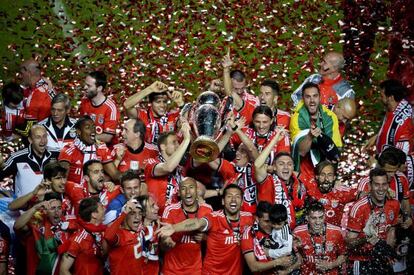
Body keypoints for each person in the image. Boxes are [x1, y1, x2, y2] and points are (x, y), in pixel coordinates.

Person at [157, 184, 254, 275]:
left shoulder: (249, 219)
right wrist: (174, 227)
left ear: (242, 202)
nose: (233, 200)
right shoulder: (214, 217)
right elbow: (197, 223)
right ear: (223, 201)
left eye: (237, 197)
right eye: (229, 196)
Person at [346, 168, 400, 274]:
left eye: (384, 184)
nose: (381, 189)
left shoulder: (394, 204)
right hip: (362, 261)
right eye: (377, 184)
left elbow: (391, 230)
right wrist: (366, 238)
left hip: (383, 259)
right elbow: (349, 243)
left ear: (388, 185)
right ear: (370, 186)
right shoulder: (359, 207)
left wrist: (387, 250)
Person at [160, 177, 213, 275]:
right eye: (183, 188)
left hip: (195, 270)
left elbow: (216, 238)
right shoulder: (170, 210)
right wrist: (166, 242)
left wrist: (205, 238)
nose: (188, 192)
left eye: (191, 187)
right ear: (179, 193)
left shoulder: (207, 210)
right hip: (172, 270)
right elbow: (163, 244)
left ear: (197, 191)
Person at [290, 82, 343, 178]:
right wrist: (310, 136)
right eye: (308, 97)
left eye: (315, 96)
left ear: (320, 97)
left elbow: (335, 151)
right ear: (303, 98)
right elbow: (300, 152)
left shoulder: (330, 117)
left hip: (324, 171)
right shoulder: (297, 118)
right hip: (303, 171)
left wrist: (333, 177)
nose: (312, 101)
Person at [255, 132, 306, 229]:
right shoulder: (267, 181)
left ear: (293, 167)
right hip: (268, 233)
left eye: (289, 164)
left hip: (291, 234)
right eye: (281, 164)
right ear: (274, 167)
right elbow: (257, 165)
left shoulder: (299, 184)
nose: (286, 167)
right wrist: (275, 141)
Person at [14, 192, 73, 275]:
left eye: (59, 208)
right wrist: (35, 207)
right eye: (52, 208)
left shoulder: (70, 224)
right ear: (45, 210)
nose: (57, 212)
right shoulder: (37, 223)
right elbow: (17, 226)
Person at [144, 121, 191, 214]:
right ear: (163, 147)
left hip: (176, 215)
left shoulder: (181, 169)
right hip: (157, 215)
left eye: (178, 142)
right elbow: (168, 167)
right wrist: (186, 140)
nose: (178, 145)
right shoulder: (151, 163)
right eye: (174, 142)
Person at [0, 124, 58, 197]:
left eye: (44, 136)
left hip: (51, 206)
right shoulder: (16, 157)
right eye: (38, 137)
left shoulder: (56, 154)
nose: (43, 141)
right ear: (30, 140)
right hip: (24, 207)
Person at [58, 115, 120, 183]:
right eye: (87, 127)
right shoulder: (68, 149)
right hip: (74, 192)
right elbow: (62, 181)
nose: (92, 130)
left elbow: (115, 175)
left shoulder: (101, 148)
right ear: (79, 131)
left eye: (93, 127)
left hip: (96, 192)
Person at [241, 202, 298, 274]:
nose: (271, 224)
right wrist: (279, 261)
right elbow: (253, 267)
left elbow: (298, 260)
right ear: (257, 219)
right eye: (267, 221)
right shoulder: (249, 234)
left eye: (272, 221)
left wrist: (286, 271)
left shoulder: (279, 228)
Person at [294, 202, 346, 274]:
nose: (318, 222)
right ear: (307, 217)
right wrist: (297, 249)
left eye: (320, 217)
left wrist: (330, 265)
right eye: (313, 218)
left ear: (324, 216)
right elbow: (295, 259)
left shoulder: (336, 231)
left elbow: (343, 255)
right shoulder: (298, 232)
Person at [60, 197, 106, 275]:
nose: (105, 209)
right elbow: (63, 270)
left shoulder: (102, 232)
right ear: (94, 214)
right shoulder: (78, 238)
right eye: (102, 207)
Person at [303, 160, 357, 227]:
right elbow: (293, 173)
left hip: (333, 233)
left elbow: (365, 195)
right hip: (310, 231)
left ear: (334, 177)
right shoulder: (310, 185)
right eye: (322, 175)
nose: (326, 179)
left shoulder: (341, 191)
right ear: (317, 176)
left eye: (330, 175)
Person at [368, 79, 414, 155]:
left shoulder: (400, 128)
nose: (380, 98)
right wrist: (377, 136)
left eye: (382, 96)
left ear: (391, 98)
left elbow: (400, 158)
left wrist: (378, 160)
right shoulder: (402, 104)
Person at [104, 197, 146, 275]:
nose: (137, 217)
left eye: (140, 213)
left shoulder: (139, 231)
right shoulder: (120, 234)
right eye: (132, 213)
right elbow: (108, 236)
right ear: (125, 215)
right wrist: (124, 213)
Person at [79, 71, 120, 146]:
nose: (85, 88)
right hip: (88, 147)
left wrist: (85, 137)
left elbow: (108, 137)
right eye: (85, 84)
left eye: (89, 86)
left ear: (99, 88)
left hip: (106, 151)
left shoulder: (110, 107)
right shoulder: (84, 101)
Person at [222, 50, 259, 125]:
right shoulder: (223, 100)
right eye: (236, 88)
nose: (239, 92)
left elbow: (230, 93)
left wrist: (226, 69)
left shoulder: (253, 102)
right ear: (229, 84)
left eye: (242, 88)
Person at [19, 59, 55, 123]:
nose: (19, 76)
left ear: (29, 73)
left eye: (21, 73)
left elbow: (29, 126)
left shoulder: (36, 94)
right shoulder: (46, 86)